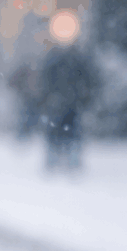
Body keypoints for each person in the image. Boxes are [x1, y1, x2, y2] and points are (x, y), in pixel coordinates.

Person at [38, 35, 99, 171]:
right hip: (59, 103)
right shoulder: (54, 60)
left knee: (72, 130)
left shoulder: (78, 60)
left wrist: (84, 97)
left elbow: (89, 80)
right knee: (56, 130)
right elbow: (45, 80)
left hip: (71, 103)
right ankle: (55, 158)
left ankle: (71, 159)